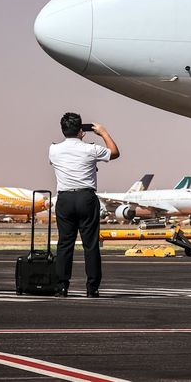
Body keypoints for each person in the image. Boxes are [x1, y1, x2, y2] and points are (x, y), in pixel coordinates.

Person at [49, 112, 119, 297]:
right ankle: (92, 288)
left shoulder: (53, 149)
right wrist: (103, 132)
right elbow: (114, 152)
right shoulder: (90, 149)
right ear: (81, 130)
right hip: (85, 197)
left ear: (63, 130)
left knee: (65, 244)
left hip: (64, 198)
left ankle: (62, 286)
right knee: (91, 245)